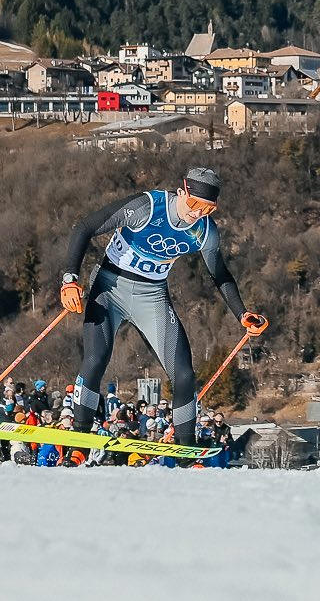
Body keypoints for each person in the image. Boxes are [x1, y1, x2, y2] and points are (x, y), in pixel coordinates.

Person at [60, 167, 266, 449]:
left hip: (152, 296)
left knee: (184, 375)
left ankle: (186, 448)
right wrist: (69, 280)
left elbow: (219, 274)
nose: (197, 213)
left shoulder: (205, 231)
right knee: (96, 359)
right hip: (110, 287)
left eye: (208, 209)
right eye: (193, 204)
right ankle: (78, 440)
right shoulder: (147, 207)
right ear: (182, 192)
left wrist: (242, 314)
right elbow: (85, 227)